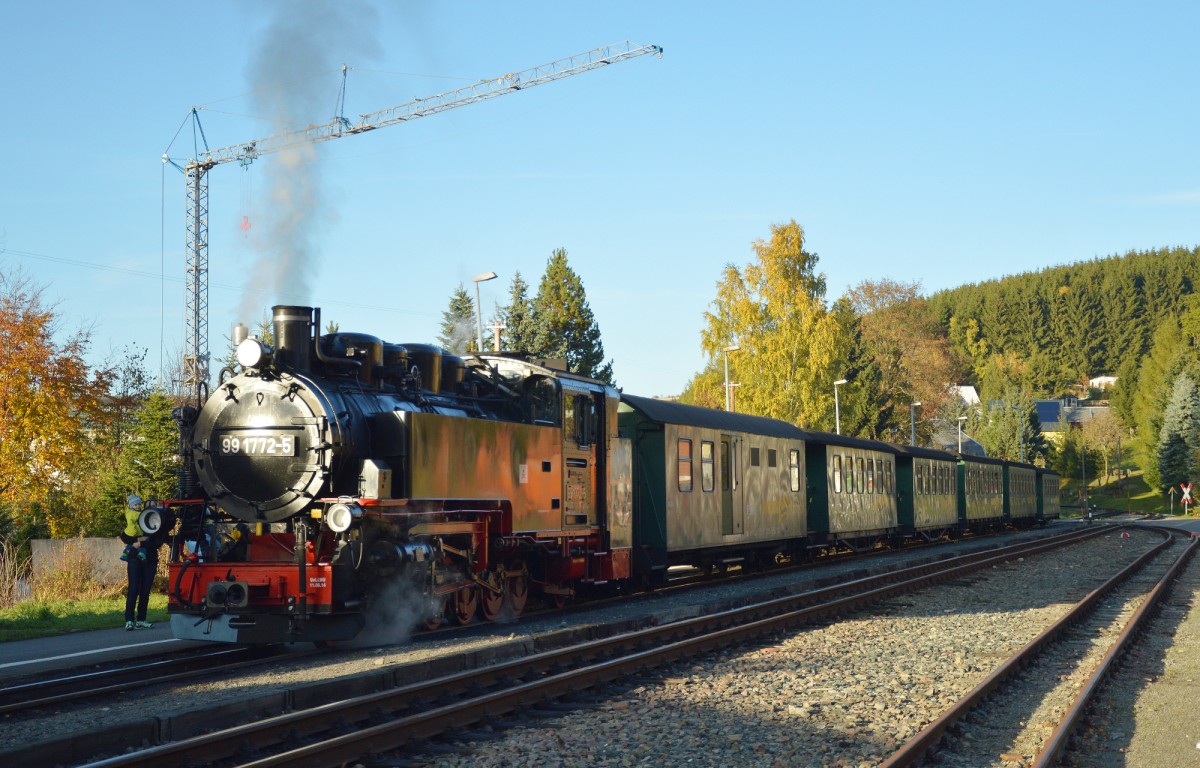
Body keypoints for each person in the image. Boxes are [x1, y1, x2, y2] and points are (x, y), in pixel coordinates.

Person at [120, 493, 166, 630]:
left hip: (150, 559)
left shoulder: (158, 525)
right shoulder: (138, 519)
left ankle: (141, 619)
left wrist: (141, 544)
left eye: (154, 506)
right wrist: (137, 541)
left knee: (145, 590)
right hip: (134, 558)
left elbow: (157, 542)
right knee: (134, 588)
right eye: (149, 506)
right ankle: (129, 619)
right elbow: (124, 536)